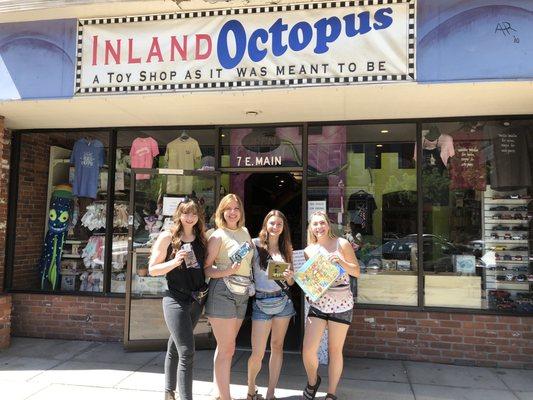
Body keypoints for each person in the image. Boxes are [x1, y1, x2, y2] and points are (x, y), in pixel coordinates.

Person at [148, 198, 208, 400]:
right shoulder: (168, 237)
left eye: (193, 213)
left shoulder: (202, 238)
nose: (189, 217)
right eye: (186, 213)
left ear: (199, 215)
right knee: (187, 352)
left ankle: (168, 392)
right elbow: (152, 269)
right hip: (175, 299)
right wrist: (174, 262)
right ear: (179, 215)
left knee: (175, 345)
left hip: (196, 300)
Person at [302, 211, 360, 400]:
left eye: (322, 223)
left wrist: (341, 261)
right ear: (311, 227)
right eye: (315, 224)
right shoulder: (309, 250)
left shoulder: (341, 244)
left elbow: (357, 272)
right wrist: (308, 291)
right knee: (309, 350)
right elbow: (310, 280)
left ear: (328, 224)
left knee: (335, 351)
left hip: (341, 303)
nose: (319, 227)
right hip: (319, 303)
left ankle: (331, 393)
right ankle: (313, 381)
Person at [204, 193, 254, 400]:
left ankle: (218, 392)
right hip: (222, 292)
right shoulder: (217, 235)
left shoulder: (245, 232)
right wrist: (226, 271)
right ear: (221, 212)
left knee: (225, 346)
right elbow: (206, 269)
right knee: (228, 348)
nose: (232, 212)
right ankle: (226, 397)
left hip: (242, 294)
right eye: (228, 209)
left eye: (236, 208)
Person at [247, 210, 296, 400]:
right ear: (265, 224)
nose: (275, 227)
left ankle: (270, 392)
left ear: (284, 228)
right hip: (261, 302)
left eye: (279, 224)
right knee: (257, 352)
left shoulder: (287, 248)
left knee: (277, 347)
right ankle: (251, 389)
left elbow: (291, 283)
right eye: (272, 223)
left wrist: (290, 278)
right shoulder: (254, 244)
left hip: (283, 302)